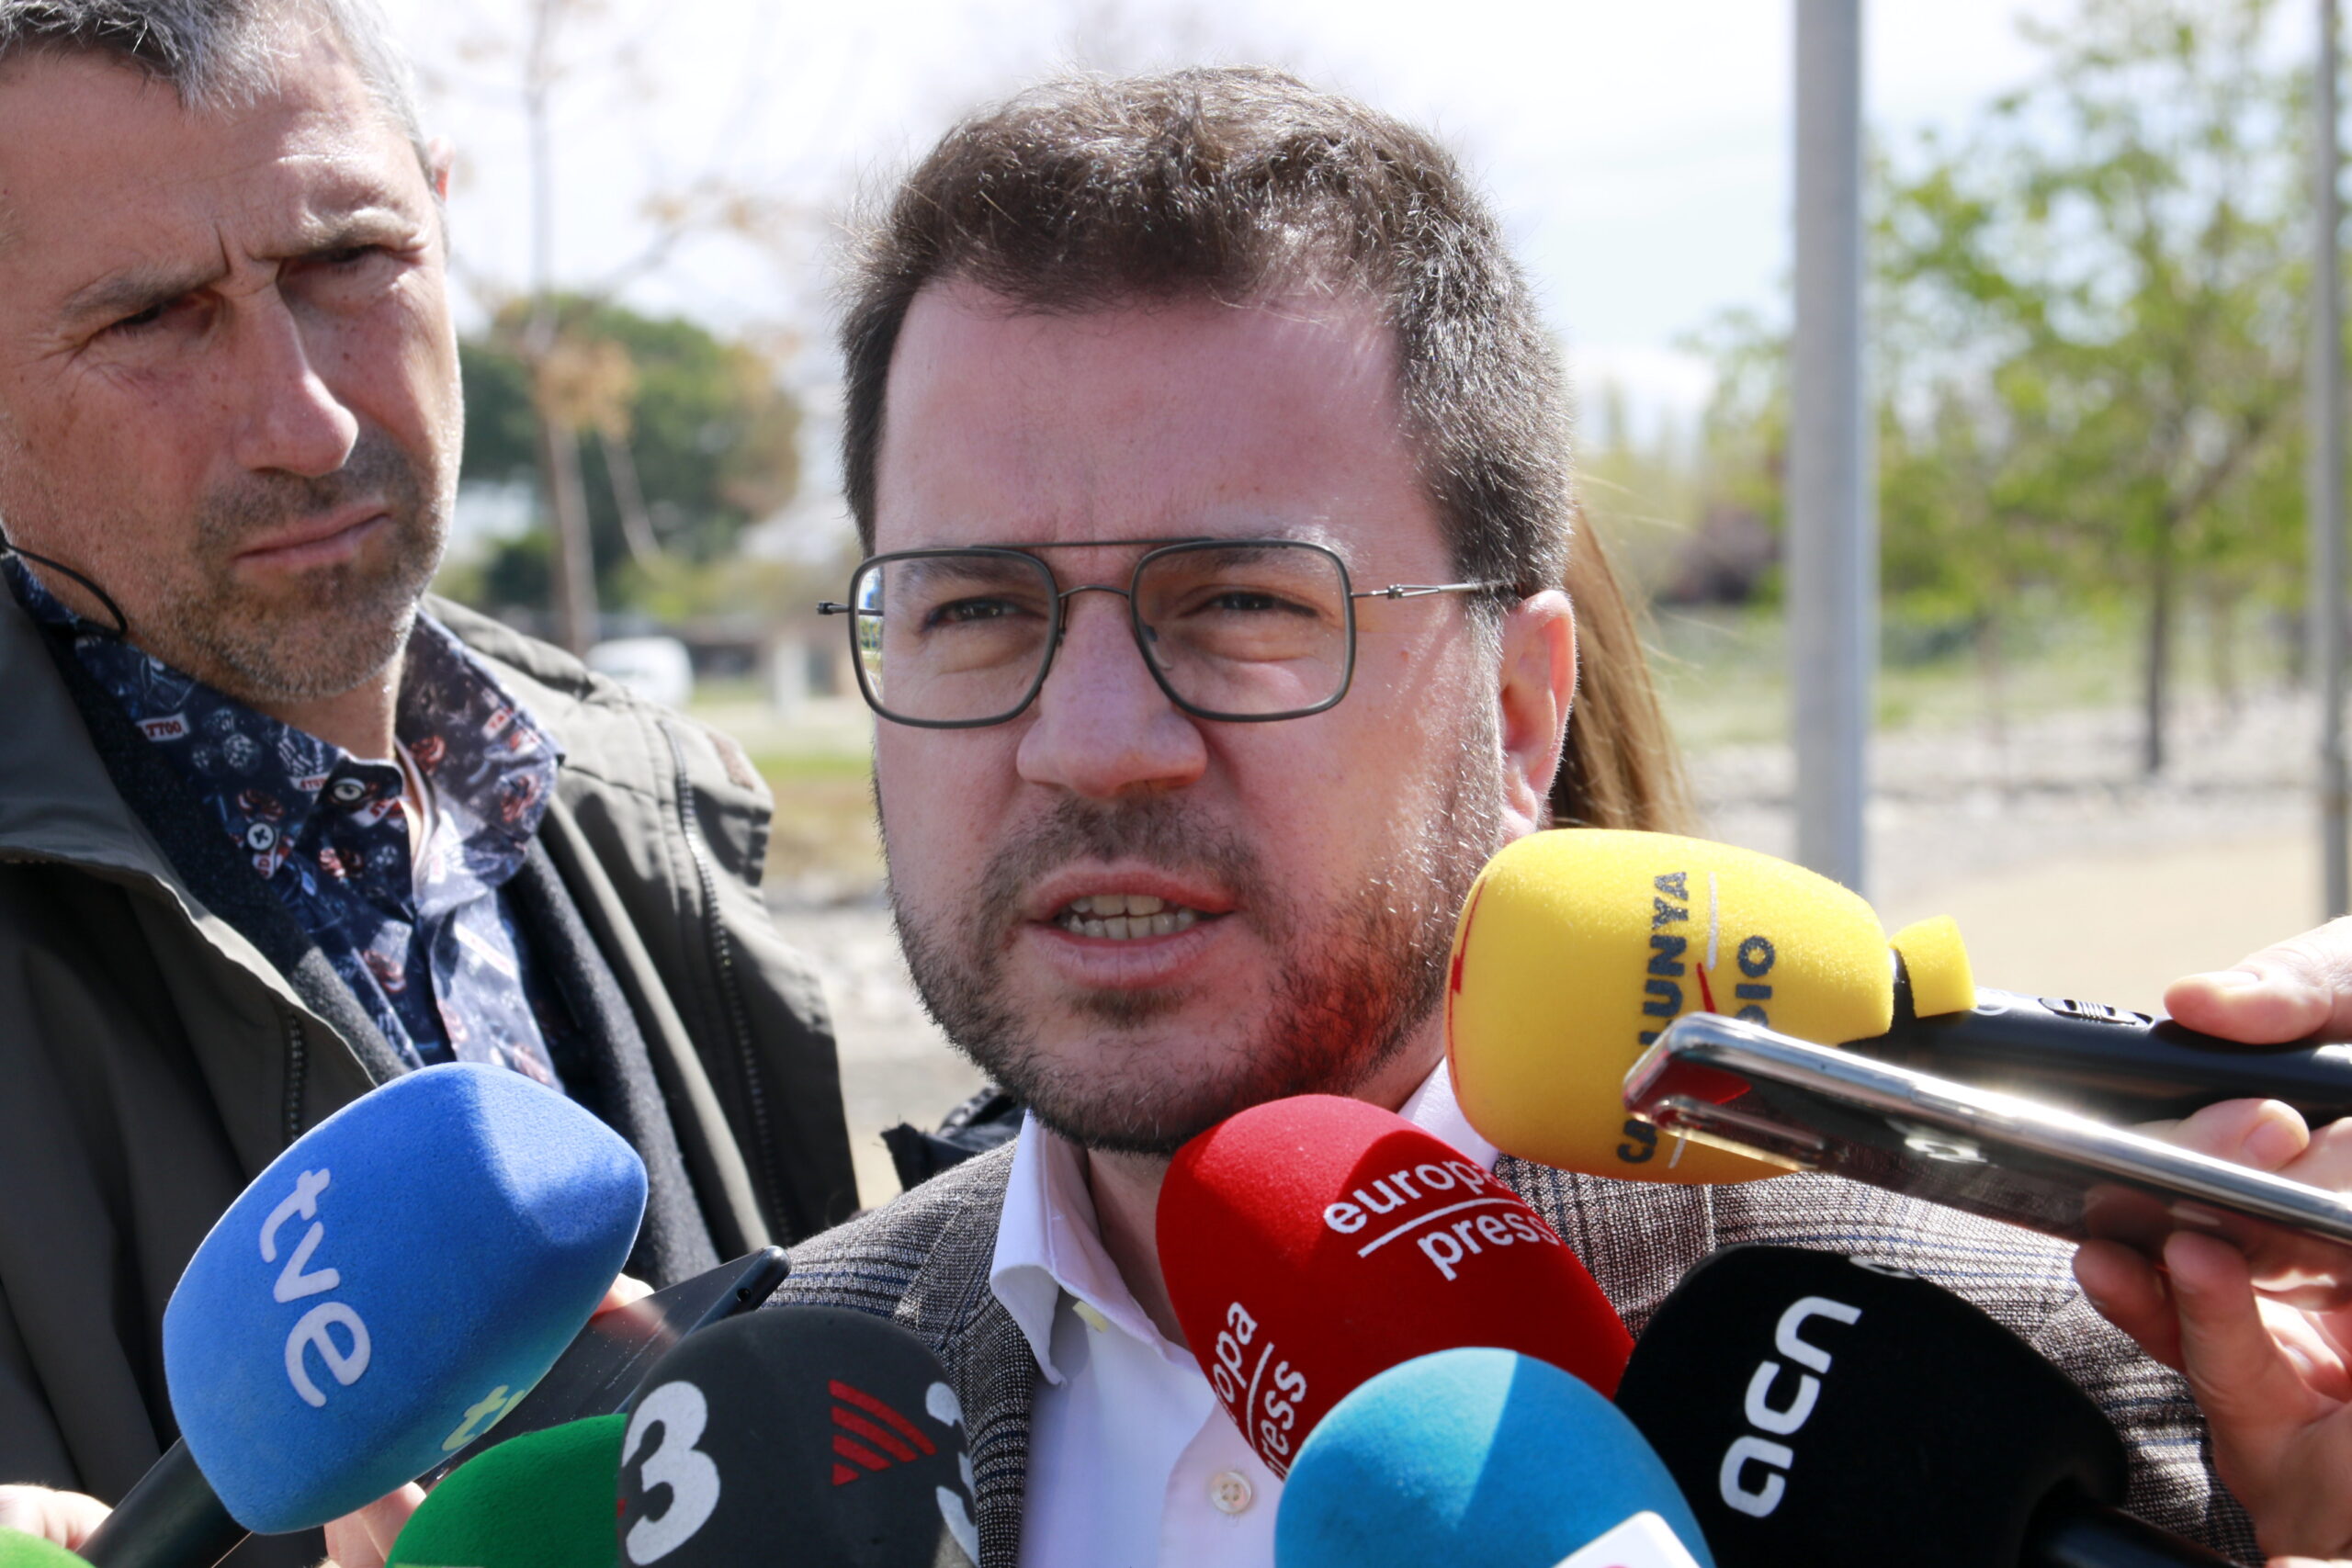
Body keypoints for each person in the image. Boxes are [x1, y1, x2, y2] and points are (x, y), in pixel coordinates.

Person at [741, 67, 2347, 1568]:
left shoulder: (2111, 1397)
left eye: (1240, 602)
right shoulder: (715, 1443)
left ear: (1518, 716)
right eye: (973, 612)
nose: (1091, 746)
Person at [0, 0, 856, 1556]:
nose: (309, 420)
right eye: (152, 321)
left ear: (443, 219)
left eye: (348, 266)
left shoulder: (648, 808)